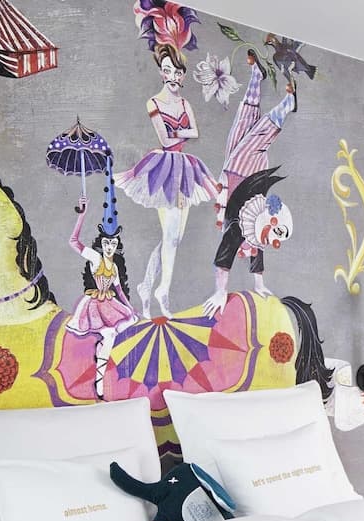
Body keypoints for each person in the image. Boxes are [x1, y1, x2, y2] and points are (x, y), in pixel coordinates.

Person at [115, 43, 218, 318]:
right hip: (164, 170)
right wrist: (182, 132)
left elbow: (195, 132)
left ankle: (146, 285)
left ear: (182, 75)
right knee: (171, 237)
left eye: (177, 72)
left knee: (174, 238)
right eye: (168, 70)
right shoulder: (154, 103)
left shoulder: (184, 103)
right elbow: (165, 138)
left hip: (185, 169)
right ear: (162, 73)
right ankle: (163, 290)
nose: (173, 76)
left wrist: (179, 132)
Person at [202, 51, 298, 318]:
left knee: (242, 124)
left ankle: (258, 77)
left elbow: (225, 260)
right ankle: (287, 103)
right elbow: (258, 247)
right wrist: (259, 283)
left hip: (230, 172)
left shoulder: (239, 229)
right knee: (258, 136)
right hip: (246, 171)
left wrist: (221, 291)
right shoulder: (257, 219)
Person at [66, 196, 138, 399]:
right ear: (101, 243)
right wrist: (82, 214)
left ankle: (100, 362)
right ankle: (99, 382)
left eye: (113, 243)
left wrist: (130, 308)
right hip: (94, 305)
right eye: (106, 242)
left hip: (109, 304)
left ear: (117, 245)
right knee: (110, 336)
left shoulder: (114, 267)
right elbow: (73, 242)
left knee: (111, 336)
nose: (109, 246)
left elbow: (120, 291)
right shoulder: (95, 258)